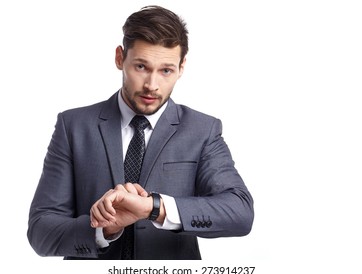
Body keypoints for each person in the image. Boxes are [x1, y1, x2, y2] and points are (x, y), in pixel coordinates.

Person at [27, 5, 254, 260]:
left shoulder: (203, 130)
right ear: (119, 58)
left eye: (166, 70)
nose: (152, 85)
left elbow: (240, 212)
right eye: (141, 67)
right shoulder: (74, 126)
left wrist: (154, 207)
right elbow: (40, 231)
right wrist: (105, 228)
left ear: (181, 68)